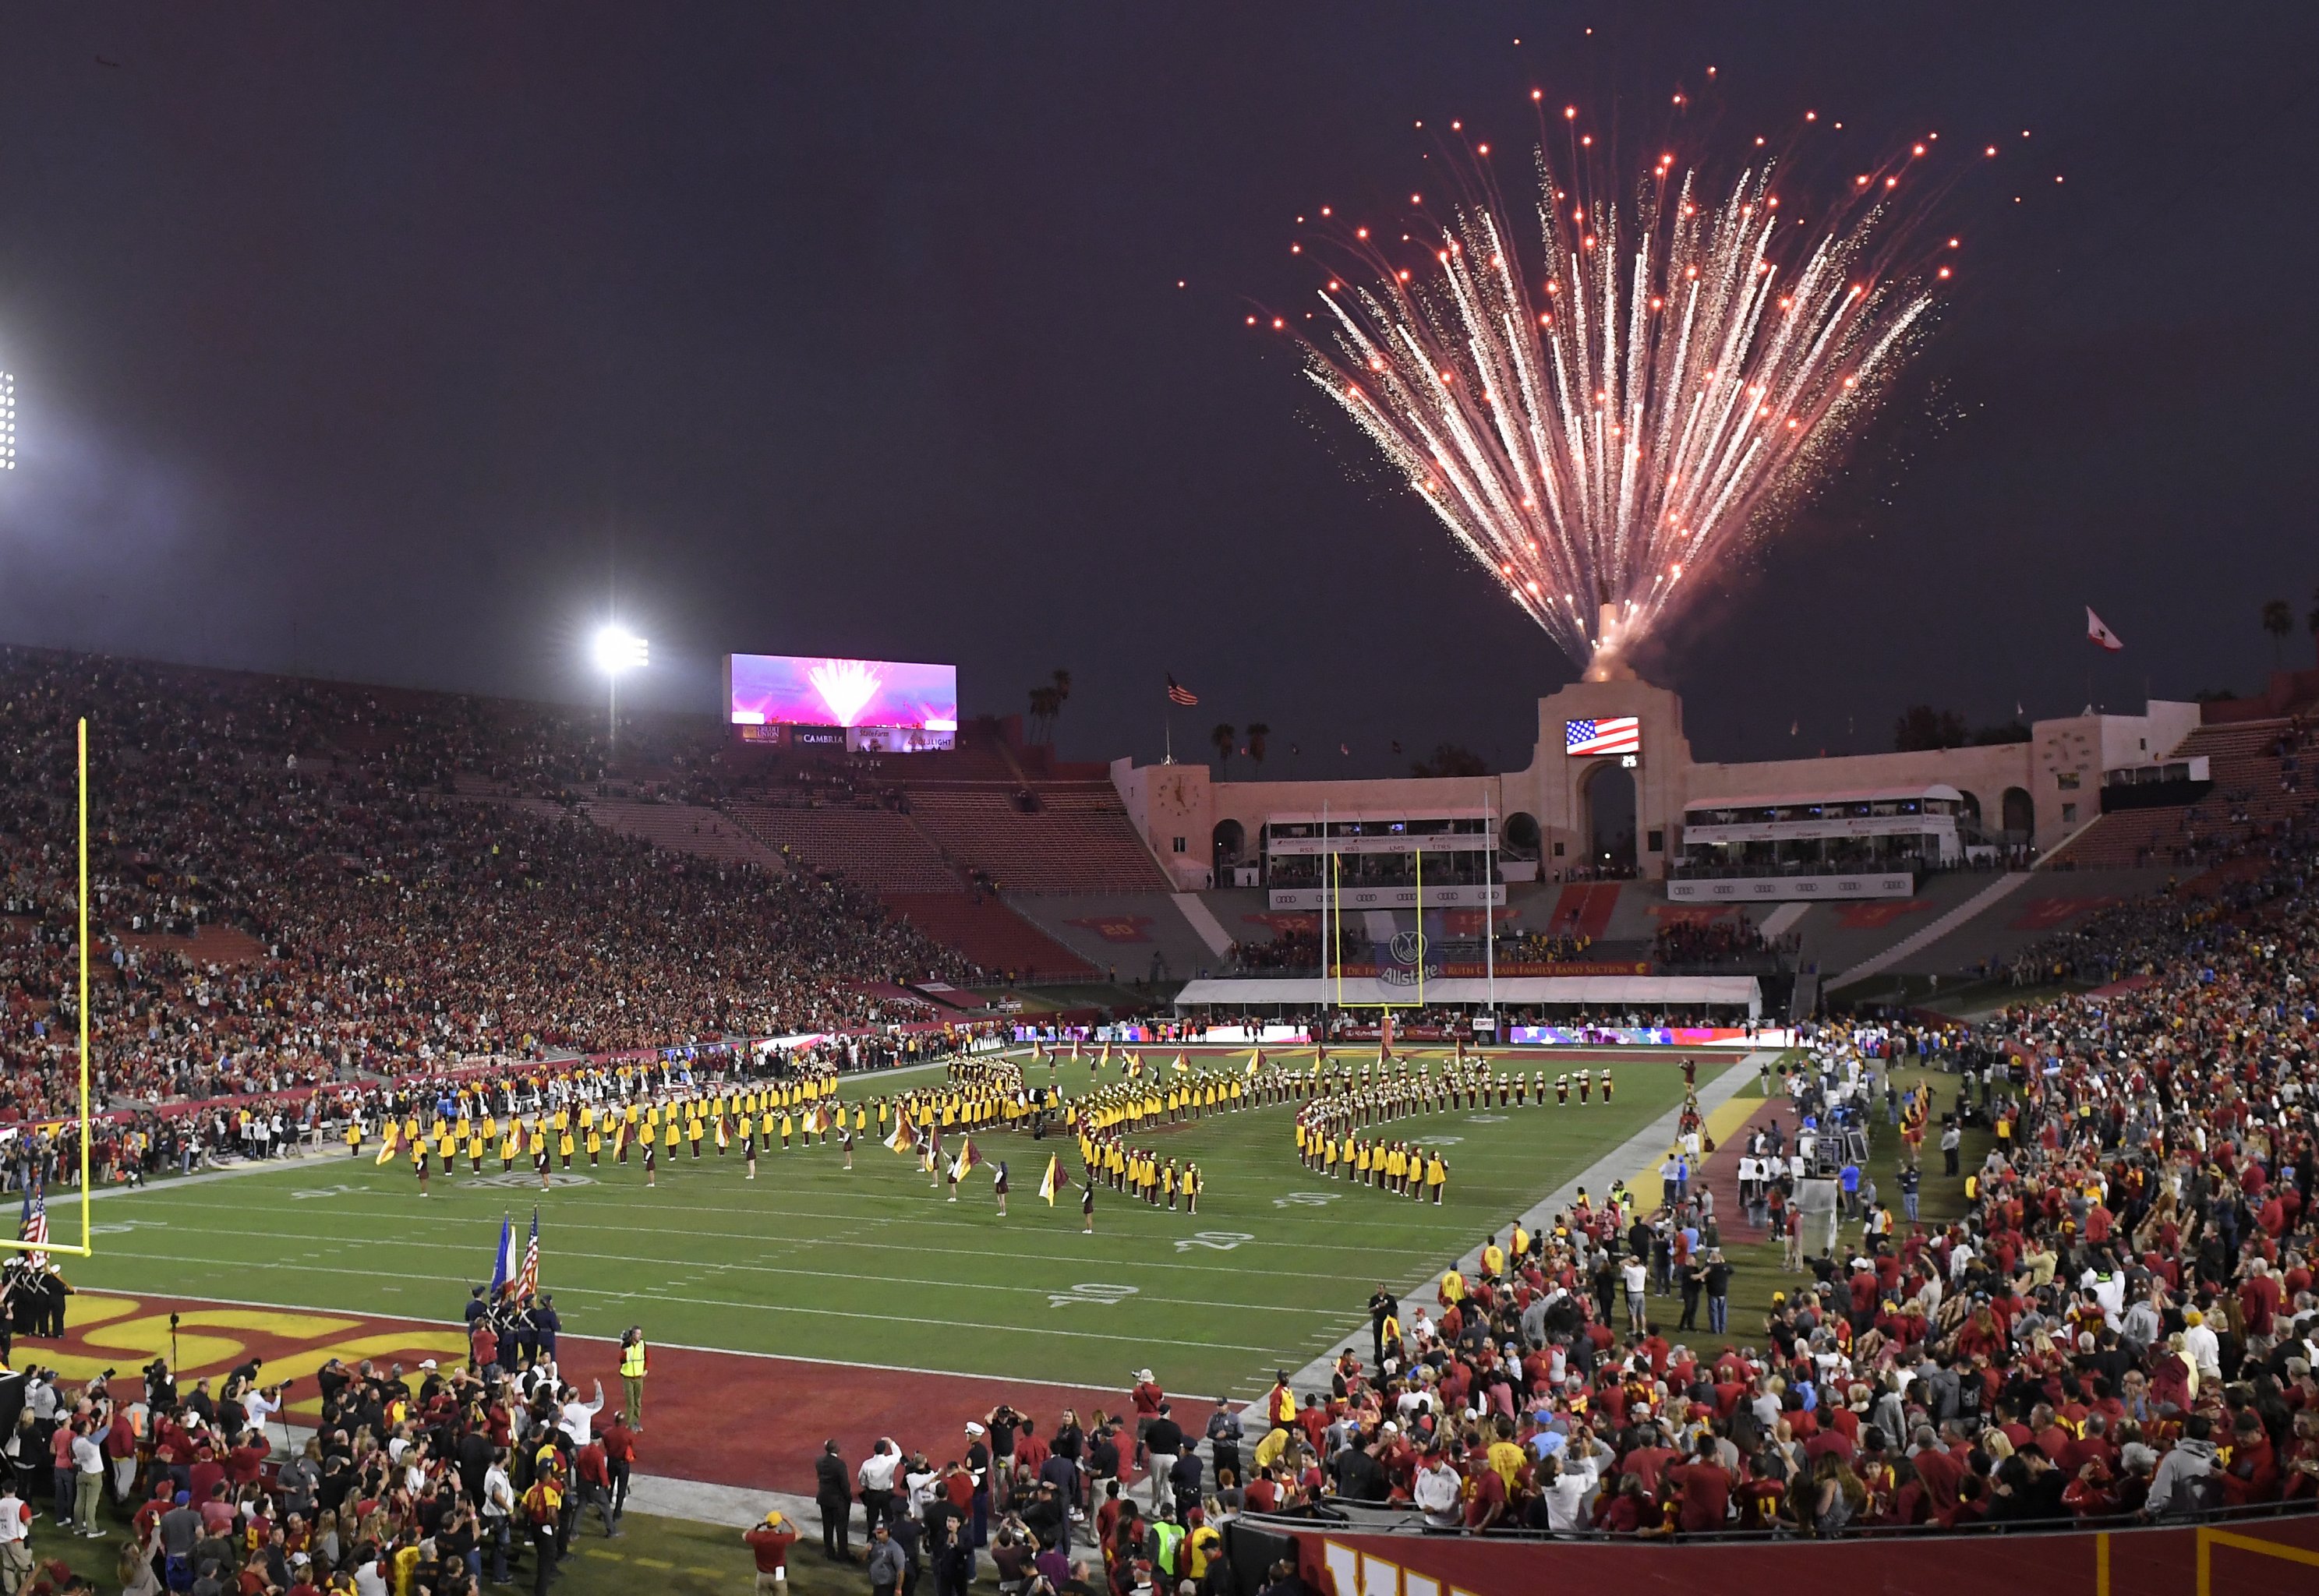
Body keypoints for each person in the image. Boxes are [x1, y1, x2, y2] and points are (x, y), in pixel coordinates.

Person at [816, 1439, 854, 1562]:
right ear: (836, 1449)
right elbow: (844, 1484)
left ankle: (829, 1551)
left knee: (827, 1526)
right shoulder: (840, 1464)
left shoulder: (819, 1462)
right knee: (841, 1527)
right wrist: (848, 1497)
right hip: (838, 1500)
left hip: (824, 1498)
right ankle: (842, 1553)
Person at [745, 1508, 800, 1591]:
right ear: (778, 1524)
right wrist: (787, 1519)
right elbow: (798, 1534)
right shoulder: (781, 1538)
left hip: (762, 1575)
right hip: (778, 1576)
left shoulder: (758, 1537)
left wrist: (758, 1526)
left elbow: (745, 1535)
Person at [618, 1326, 648, 1432]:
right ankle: (629, 1424)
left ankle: (636, 1422)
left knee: (638, 1401)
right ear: (633, 1335)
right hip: (628, 1377)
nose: (640, 1336)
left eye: (640, 1334)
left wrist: (646, 1369)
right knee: (630, 1402)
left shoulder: (642, 1344)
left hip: (639, 1377)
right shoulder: (626, 1346)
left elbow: (646, 1357)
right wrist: (624, 1350)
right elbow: (621, 1360)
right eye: (638, 1334)